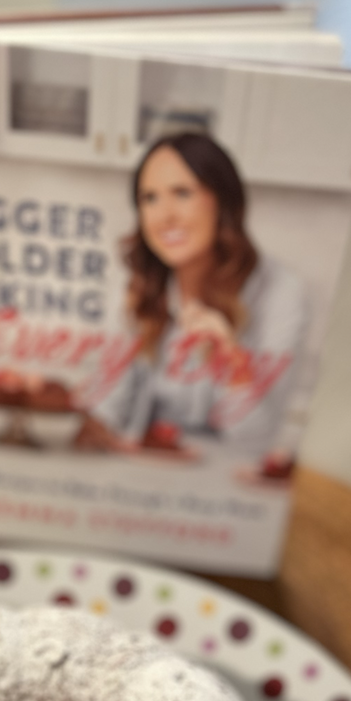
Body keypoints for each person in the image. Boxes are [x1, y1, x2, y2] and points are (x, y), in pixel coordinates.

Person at [75, 132, 308, 475]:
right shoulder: (139, 286)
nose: (164, 215)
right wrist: (92, 422)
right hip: (139, 479)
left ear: (223, 202)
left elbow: (257, 444)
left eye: (182, 193)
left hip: (223, 496)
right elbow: (111, 404)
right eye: (149, 198)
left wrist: (231, 364)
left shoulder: (280, 293)